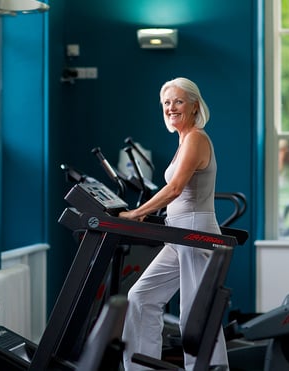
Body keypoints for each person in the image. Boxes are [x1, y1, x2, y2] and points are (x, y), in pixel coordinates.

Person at [118, 77, 229, 370]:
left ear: (194, 105)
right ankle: (141, 367)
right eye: (166, 103)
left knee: (195, 313)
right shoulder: (184, 140)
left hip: (195, 233)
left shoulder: (196, 138)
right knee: (141, 296)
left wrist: (136, 213)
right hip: (179, 234)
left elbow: (176, 187)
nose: (171, 108)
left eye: (178, 101)